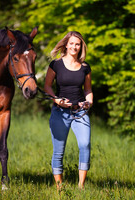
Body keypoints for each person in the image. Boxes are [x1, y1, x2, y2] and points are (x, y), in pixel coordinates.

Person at [44, 31, 93, 190]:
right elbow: (47, 86)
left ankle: (81, 187)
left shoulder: (85, 67)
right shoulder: (55, 64)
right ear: (66, 44)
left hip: (80, 111)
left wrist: (89, 101)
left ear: (81, 47)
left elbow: (88, 90)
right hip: (60, 112)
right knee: (59, 150)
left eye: (77, 44)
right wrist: (56, 99)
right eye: (71, 43)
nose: (74, 46)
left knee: (85, 144)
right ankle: (59, 189)